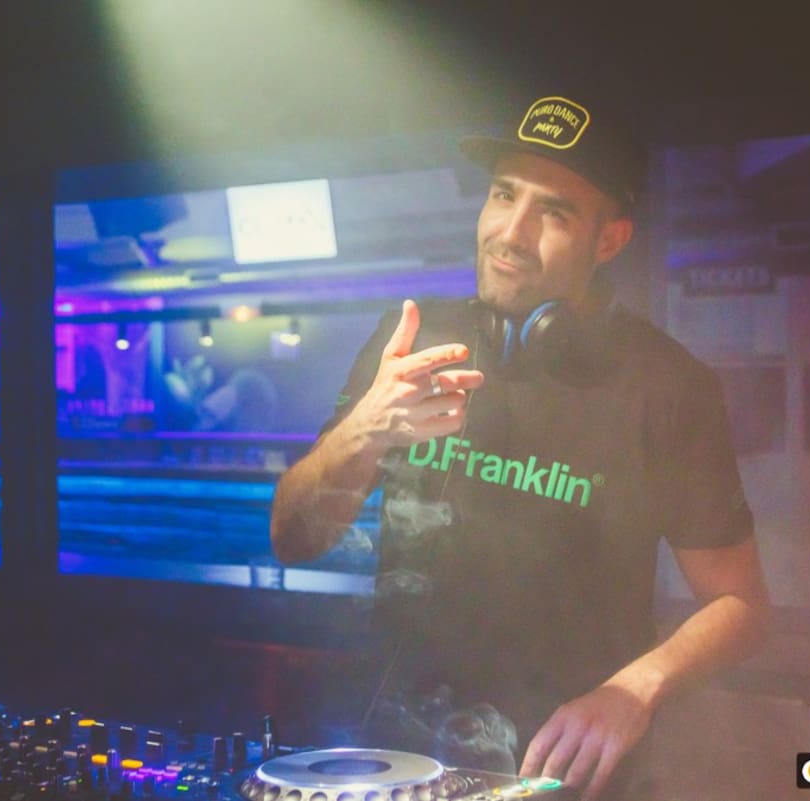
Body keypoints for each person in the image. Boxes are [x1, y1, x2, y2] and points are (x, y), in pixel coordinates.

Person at [270, 92, 770, 800]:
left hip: (564, 772)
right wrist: (364, 429)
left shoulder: (668, 386)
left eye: (553, 212)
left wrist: (634, 690)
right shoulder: (410, 344)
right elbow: (292, 538)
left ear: (609, 241)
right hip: (395, 761)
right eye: (504, 194)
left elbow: (741, 605)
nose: (510, 231)